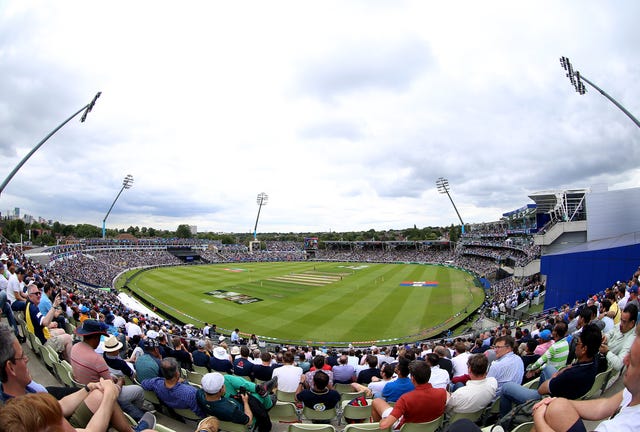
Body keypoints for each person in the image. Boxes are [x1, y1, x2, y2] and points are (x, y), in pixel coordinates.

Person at [0, 323, 153, 432]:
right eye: (22, 357)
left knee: (100, 393)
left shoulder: (21, 391)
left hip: (71, 399)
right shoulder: (22, 416)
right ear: (10, 367)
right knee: (120, 394)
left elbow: (58, 406)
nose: (27, 359)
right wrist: (109, 396)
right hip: (68, 424)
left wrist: (87, 388)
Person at [532, 323, 640, 432]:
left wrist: (539, 417)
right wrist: (558, 402)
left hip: (553, 388)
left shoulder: (624, 427)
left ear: (584, 348)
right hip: (566, 390)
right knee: (555, 405)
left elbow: (542, 389)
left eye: (632, 361)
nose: (624, 361)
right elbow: (603, 406)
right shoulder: (633, 392)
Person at [500, 323, 601, 416]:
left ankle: (505, 422)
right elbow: (569, 368)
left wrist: (555, 377)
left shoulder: (570, 375)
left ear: (584, 349)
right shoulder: (594, 359)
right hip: (567, 394)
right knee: (548, 368)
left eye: (578, 343)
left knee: (506, 387)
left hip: (551, 402)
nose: (575, 346)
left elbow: (541, 389)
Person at [70, 319, 146, 421]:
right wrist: (120, 382)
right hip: (97, 396)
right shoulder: (97, 359)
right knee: (139, 390)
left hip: (83, 389)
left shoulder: (75, 347)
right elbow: (112, 392)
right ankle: (133, 419)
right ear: (96, 337)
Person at [372, 360, 448, 430]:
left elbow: (384, 425)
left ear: (412, 378)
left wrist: (383, 420)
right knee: (377, 401)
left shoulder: (405, 399)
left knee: (377, 401)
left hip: (405, 427)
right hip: (429, 426)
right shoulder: (443, 393)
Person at [196, 372, 277, 432]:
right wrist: (245, 402)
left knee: (227, 379)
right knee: (258, 396)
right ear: (221, 390)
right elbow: (248, 420)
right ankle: (269, 402)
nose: (224, 385)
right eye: (223, 385)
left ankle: (260, 389)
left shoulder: (199, 394)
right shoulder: (231, 410)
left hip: (223, 412)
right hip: (241, 413)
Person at [24, 283, 73, 361]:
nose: (39, 295)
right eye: (36, 294)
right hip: (44, 343)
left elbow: (39, 324)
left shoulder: (28, 304)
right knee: (68, 338)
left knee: (62, 330)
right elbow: (45, 323)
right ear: (30, 296)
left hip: (41, 335)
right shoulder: (33, 308)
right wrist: (54, 306)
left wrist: (50, 325)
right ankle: (69, 362)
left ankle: (63, 355)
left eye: (39, 293)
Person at [599, 304, 637, 371]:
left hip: (605, 365)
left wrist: (607, 352)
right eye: (621, 320)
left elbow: (619, 365)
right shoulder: (621, 325)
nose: (621, 324)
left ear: (632, 323)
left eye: (624, 322)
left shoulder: (632, 340)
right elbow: (610, 333)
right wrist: (605, 338)